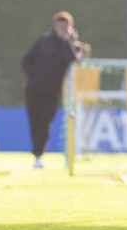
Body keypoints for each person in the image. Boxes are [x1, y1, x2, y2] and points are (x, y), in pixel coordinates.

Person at [21, 11, 84, 168]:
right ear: (54, 26)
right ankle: (36, 152)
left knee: (44, 123)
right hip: (34, 89)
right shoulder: (43, 41)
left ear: (70, 27)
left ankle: (38, 155)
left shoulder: (72, 45)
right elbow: (26, 60)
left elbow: (71, 58)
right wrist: (33, 76)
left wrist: (66, 40)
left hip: (52, 92)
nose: (62, 28)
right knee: (34, 123)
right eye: (59, 25)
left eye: (65, 26)